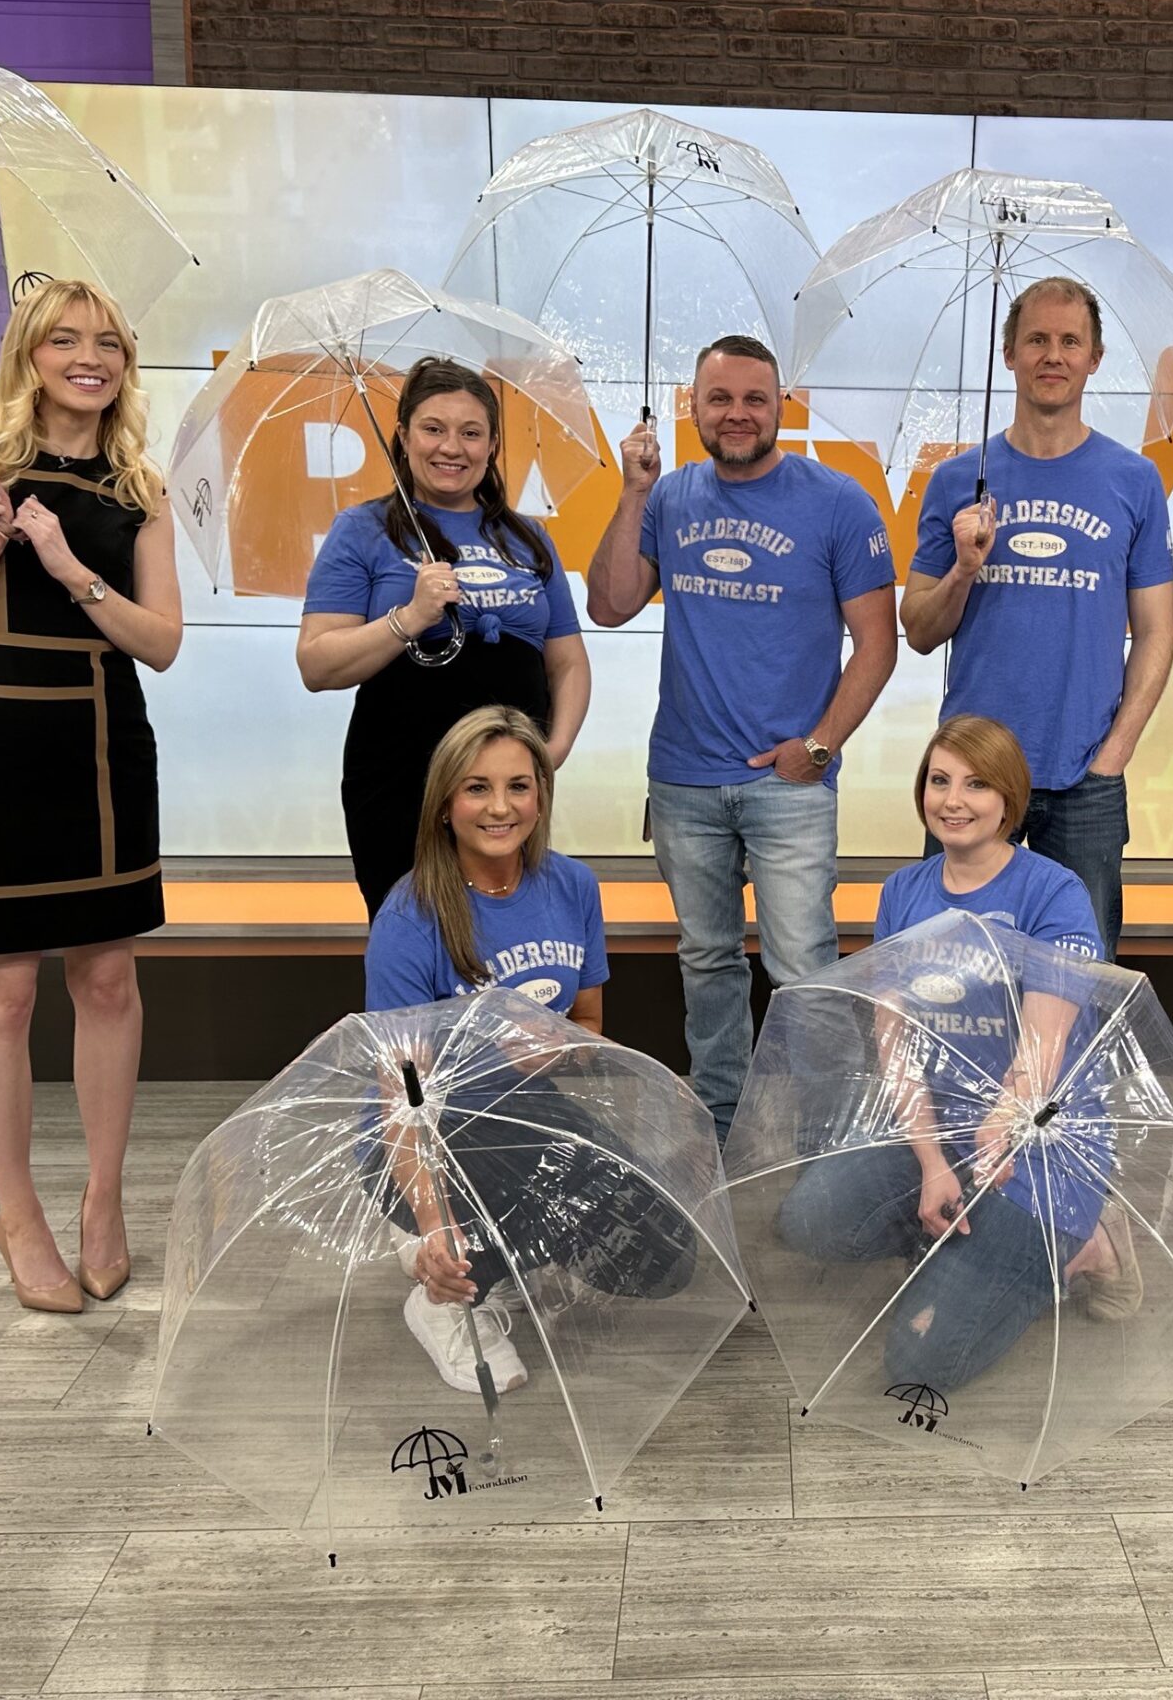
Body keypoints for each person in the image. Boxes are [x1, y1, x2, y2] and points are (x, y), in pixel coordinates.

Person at [0, 277, 183, 1314]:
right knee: (2, 993)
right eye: (66, 338)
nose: (88, 357)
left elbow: (163, 643)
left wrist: (64, 563)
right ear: (29, 351)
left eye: (108, 341)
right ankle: (19, 1214)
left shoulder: (140, 480)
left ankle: (105, 1198)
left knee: (106, 983)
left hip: (100, 737)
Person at [586, 334, 898, 1141]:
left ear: (780, 409)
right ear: (692, 407)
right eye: (719, 399)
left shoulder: (838, 502)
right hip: (683, 781)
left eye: (754, 399)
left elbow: (879, 644)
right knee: (708, 962)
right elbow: (611, 603)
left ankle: (822, 1137)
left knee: (803, 971)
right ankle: (722, 1121)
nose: (737, 414)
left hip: (787, 785)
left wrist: (819, 747)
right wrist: (631, 491)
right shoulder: (669, 497)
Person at [775, 716, 1135, 1392]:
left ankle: (1079, 1246)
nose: (953, 800)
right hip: (946, 1132)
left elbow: (1043, 1048)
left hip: (1037, 1144)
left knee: (920, 1363)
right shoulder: (903, 893)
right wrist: (934, 1163)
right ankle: (960, 1234)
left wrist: (996, 1132)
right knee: (810, 1220)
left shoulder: (1052, 891)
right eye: (939, 781)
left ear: (1009, 798)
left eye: (976, 784)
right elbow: (895, 1042)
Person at [360, 706, 693, 1394]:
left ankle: (500, 1251)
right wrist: (431, 1222)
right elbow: (401, 1095)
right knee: (485, 1214)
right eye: (477, 788)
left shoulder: (572, 886)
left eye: (518, 785)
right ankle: (447, 1295)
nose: (499, 806)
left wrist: (561, 1051)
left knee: (664, 1259)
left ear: (542, 795)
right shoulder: (409, 917)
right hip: (423, 1134)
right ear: (445, 805)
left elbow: (590, 1024)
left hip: (527, 1112)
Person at [900, 278, 1173, 957]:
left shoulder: (1133, 479)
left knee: (1079, 980)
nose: (1053, 355)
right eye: (1037, 341)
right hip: (973, 772)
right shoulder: (957, 479)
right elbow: (918, 627)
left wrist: (1114, 756)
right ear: (1009, 355)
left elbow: (1158, 633)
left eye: (1069, 341)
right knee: (951, 972)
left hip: (1085, 777)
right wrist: (964, 569)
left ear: (1094, 358)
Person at [298, 357, 589, 916]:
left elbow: (569, 662)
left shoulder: (529, 538)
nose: (451, 447)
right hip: (400, 786)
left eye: (470, 432)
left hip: (506, 796)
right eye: (433, 429)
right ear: (403, 436)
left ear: (493, 444)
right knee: (416, 945)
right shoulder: (363, 529)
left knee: (506, 946)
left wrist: (551, 754)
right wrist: (408, 617)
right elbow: (316, 664)